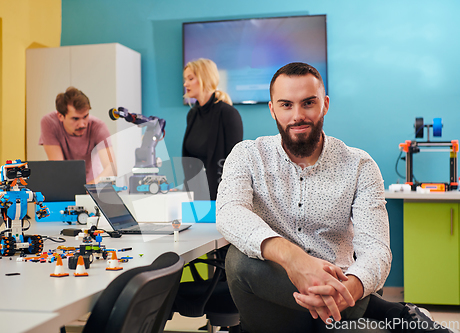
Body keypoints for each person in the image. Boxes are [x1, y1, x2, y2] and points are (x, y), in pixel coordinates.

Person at [216, 62, 452, 333]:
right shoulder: (247, 155)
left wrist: (347, 290)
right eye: (286, 105)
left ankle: (366, 312)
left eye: (308, 103)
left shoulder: (359, 165)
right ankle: (387, 311)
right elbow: (230, 211)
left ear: (325, 104)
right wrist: (294, 259)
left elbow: (376, 251)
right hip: (270, 312)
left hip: (341, 305)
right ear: (272, 109)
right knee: (239, 261)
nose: (297, 115)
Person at [182, 58, 243, 201]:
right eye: (185, 79)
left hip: (220, 196)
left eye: (190, 78)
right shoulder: (192, 114)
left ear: (205, 78)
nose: (185, 84)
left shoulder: (228, 113)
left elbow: (235, 162)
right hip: (195, 194)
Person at [39, 87, 116, 184]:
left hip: (92, 185)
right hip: (64, 183)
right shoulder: (49, 123)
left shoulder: (98, 127)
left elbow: (112, 168)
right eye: (75, 119)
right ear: (60, 116)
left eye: (85, 116)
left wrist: (88, 187)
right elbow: (59, 167)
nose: (82, 124)